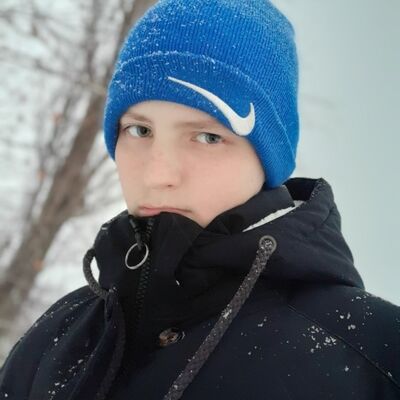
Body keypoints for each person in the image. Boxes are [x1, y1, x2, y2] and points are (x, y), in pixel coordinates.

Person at [1, 0, 399, 398]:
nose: (157, 175)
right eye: (140, 130)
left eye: (207, 137)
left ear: (269, 159)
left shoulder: (372, 356)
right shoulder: (55, 336)